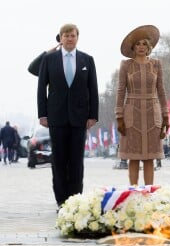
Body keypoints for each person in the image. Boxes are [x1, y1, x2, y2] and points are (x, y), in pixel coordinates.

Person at [37, 23, 99, 210]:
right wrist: (42, 114)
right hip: (56, 117)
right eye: (66, 35)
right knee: (59, 160)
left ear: (77, 37)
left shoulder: (87, 60)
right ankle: (61, 199)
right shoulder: (49, 59)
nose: (69, 38)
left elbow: (93, 89)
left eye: (72, 35)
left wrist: (93, 115)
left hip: (80, 118)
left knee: (76, 160)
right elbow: (41, 89)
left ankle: (75, 199)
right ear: (60, 38)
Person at [115, 25, 169, 186]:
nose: (141, 47)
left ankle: (149, 193)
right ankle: (133, 192)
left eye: (144, 44)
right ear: (133, 47)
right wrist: (119, 117)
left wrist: (166, 116)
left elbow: (161, 90)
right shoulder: (126, 65)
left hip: (153, 113)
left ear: (149, 47)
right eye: (138, 44)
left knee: (149, 158)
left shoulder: (156, 64)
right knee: (133, 157)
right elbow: (120, 90)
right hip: (132, 112)